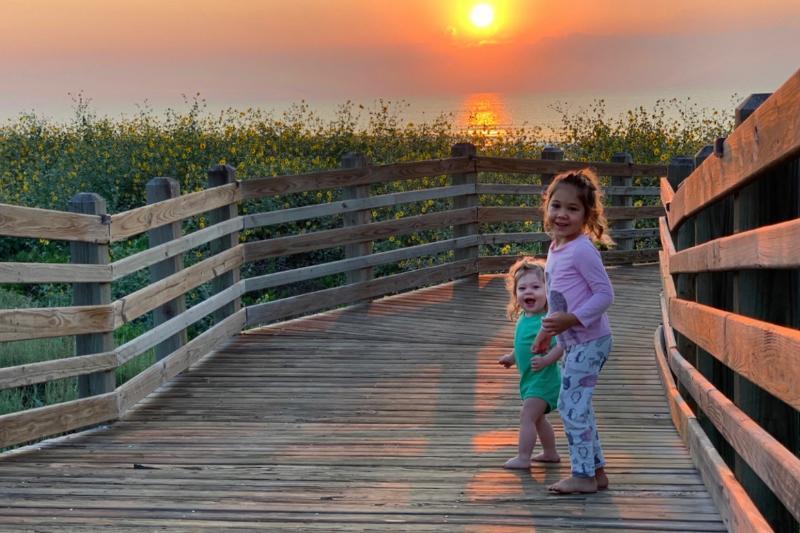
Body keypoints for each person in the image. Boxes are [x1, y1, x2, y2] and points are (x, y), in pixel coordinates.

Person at [533, 168, 615, 494]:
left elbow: (605, 294)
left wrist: (573, 320)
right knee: (578, 405)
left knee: (570, 406)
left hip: (590, 341)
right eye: (556, 206)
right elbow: (557, 303)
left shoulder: (581, 249)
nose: (562, 214)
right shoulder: (556, 249)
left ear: (587, 215)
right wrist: (546, 332)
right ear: (547, 207)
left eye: (572, 209)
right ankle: (596, 471)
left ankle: (582, 475)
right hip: (575, 342)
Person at [497, 257, 564, 469]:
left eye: (536, 287)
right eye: (522, 288)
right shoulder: (524, 318)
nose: (528, 292)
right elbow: (523, 345)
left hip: (545, 380)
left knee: (527, 416)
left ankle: (523, 458)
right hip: (530, 380)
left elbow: (562, 346)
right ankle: (550, 452)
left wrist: (546, 361)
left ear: (548, 291)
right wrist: (512, 357)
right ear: (516, 294)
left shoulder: (548, 321)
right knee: (537, 419)